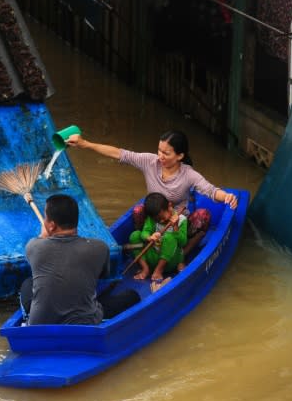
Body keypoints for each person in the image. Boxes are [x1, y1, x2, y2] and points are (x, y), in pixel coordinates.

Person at [67, 129, 238, 256]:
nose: (160, 156)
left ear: (180, 156)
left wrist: (227, 197)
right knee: (138, 211)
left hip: (178, 223)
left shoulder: (188, 174)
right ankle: (147, 245)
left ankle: (182, 254)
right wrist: (85, 144)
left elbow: (210, 191)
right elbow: (120, 154)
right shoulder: (150, 162)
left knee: (203, 216)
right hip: (153, 220)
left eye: (166, 153)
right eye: (159, 151)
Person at [18, 194, 140, 325]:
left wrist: (43, 235)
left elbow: (46, 249)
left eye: (46, 218)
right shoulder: (100, 247)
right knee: (132, 295)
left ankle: (27, 320)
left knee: (27, 283)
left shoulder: (33, 246)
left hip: (40, 323)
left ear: (52, 226)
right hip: (86, 321)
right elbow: (104, 276)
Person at [128, 192, 188, 289]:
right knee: (135, 235)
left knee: (169, 237)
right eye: (157, 219)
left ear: (169, 206)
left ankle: (159, 270)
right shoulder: (152, 218)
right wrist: (149, 237)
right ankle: (145, 268)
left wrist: (176, 227)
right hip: (153, 257)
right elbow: (144, 233)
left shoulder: (182, 220)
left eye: (162, 217)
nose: (161, 221)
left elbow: (183, 242)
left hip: (170, 261)